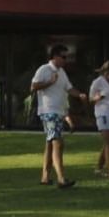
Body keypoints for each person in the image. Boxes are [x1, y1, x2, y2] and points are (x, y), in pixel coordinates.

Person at [30, 44, 80, 188]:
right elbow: (33, 86)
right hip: (48, 111)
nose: (65, 60)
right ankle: (61, 178)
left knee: (51, 143)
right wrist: (49, 82)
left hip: (58, 112)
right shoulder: (44, 69)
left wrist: (80, 95)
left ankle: (45, 177)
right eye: (63, 57)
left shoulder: (62, 72)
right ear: (55, 56)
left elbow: (69, 89)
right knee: (57, 142)